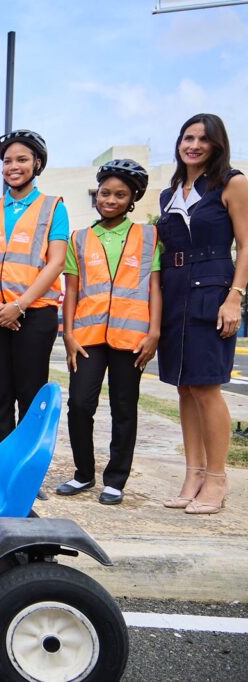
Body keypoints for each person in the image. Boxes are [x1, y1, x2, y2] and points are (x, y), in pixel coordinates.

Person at [156, 113, 248, 515]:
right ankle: (193, 474)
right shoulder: (169, 194)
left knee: (207, 387)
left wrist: (235, 297)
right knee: (183, 387)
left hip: (213, 287)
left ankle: (217, 479)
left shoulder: (232, 183)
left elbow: (245, 246)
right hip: (174, 288)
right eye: (187, 137)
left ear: (216, 145)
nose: (193, 145)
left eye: (203, 139)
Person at [56, 160, 160, 506]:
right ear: (96, 195)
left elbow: (155, 289)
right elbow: (71, 290)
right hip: (87, 337)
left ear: (132, 199)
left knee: (124, 407)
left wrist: (154, 332)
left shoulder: (148, 236)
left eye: (120, 195)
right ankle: (83, 473)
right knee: (79, 405)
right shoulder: (80, 239)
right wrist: (67, 333)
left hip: (131, 338)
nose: (110, 199)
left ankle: (115, 480)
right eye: (105, 193)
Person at [0, 129, 69, 449]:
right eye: (8, 160)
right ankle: (1, 468)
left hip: (35, 314)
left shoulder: (54, 207)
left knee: (29, 397)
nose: (14, 166)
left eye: (22, 159)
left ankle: (25, 471)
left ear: (37, 164)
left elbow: (55, 263)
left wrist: (19, 306)